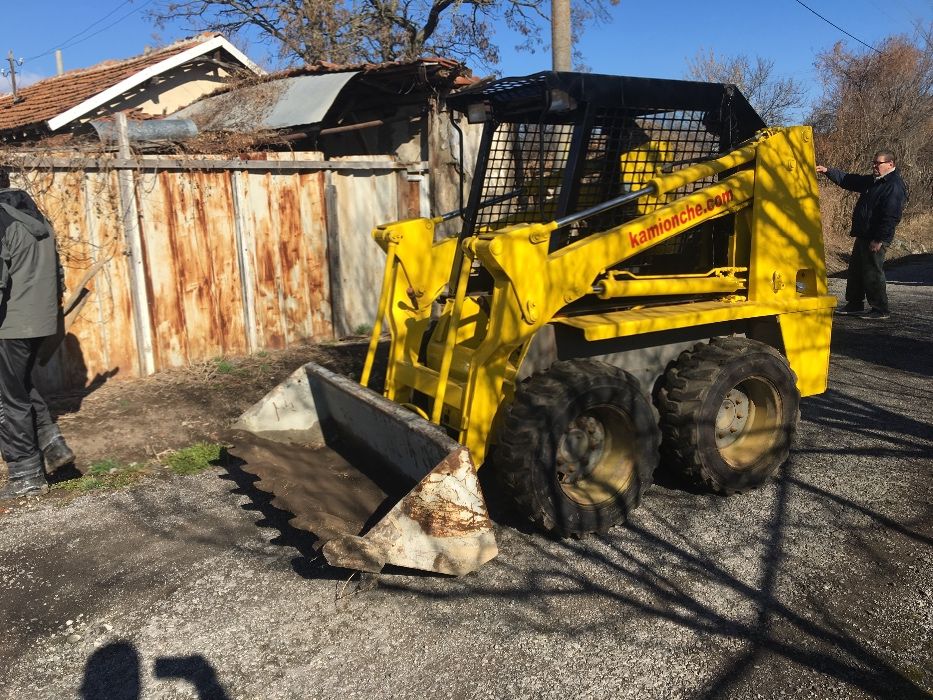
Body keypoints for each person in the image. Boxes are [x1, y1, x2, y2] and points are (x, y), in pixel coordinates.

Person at [0, 169, 75, 499]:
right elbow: (58, 273)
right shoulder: (34, 215)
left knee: (6, 400)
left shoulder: (1, 220)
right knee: (19, 386)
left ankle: (25, 474)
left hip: (9, 325)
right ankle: (51, 443)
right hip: (39, 322)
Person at [816, 151, 907, 320]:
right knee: (856, 270)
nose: (874, 166)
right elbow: (850, 180)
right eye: (873, 163)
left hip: (875, 237)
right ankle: (854, 304)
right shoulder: (874, 181)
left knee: (872, 272)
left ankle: (880, 309)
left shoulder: (893, 185)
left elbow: (891, 216)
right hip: (864, 235)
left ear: (890, 164)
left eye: (878, 163)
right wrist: (828, 170)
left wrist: (879, 239)